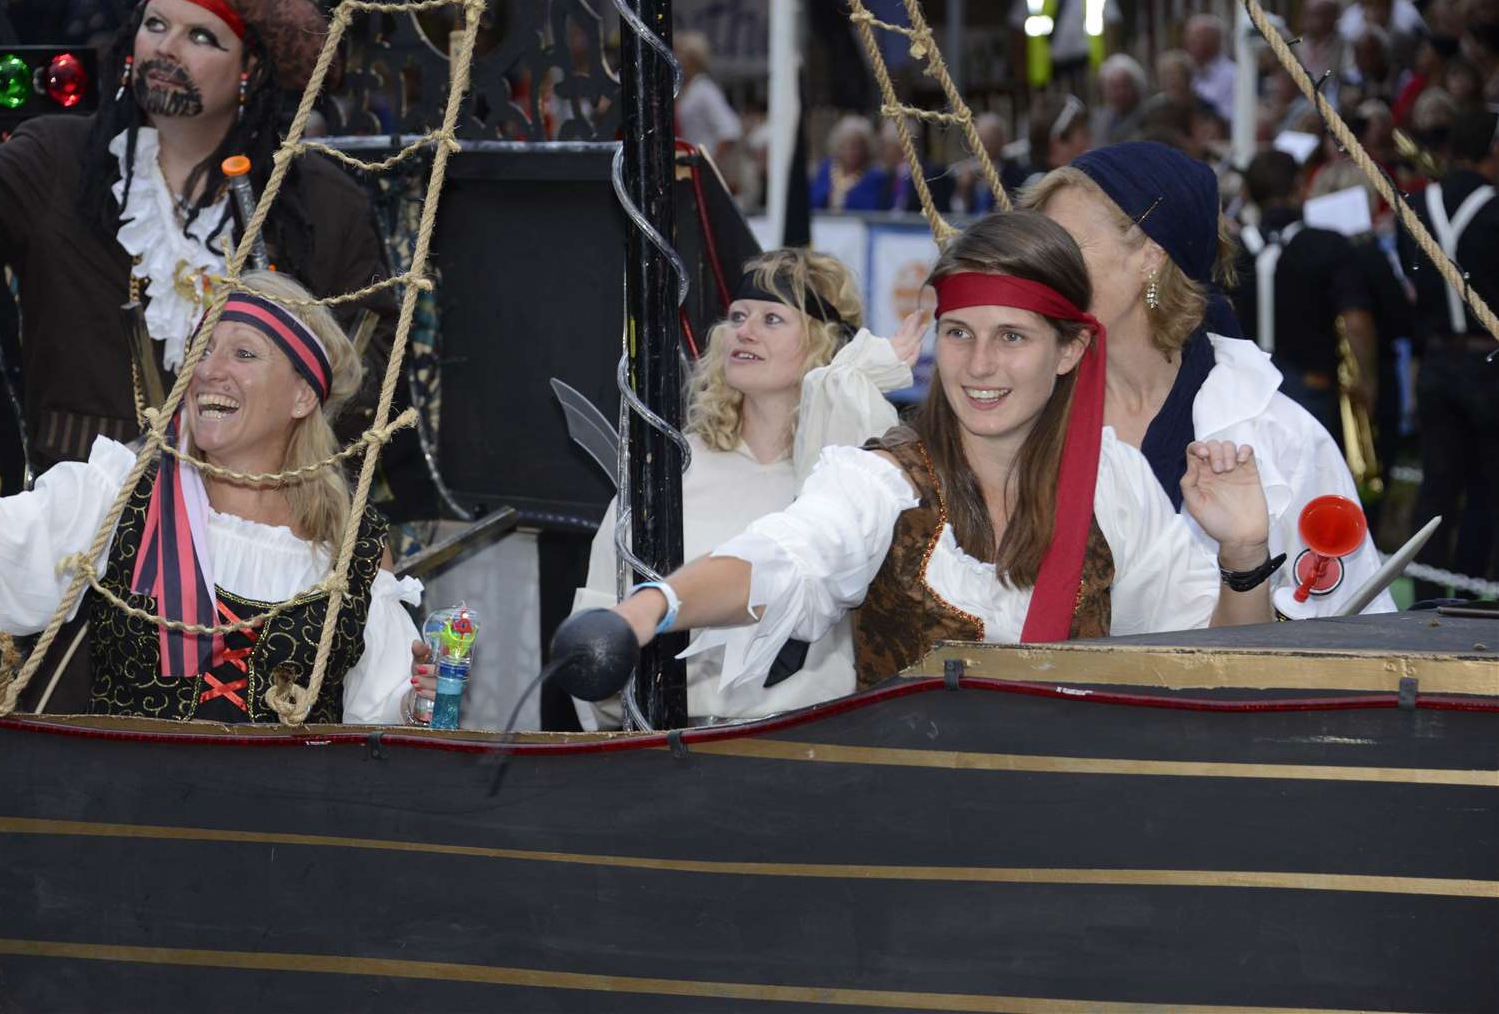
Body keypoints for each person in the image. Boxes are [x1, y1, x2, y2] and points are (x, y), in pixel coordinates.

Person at [595, 212, 1276, 693]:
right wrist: (650, 607)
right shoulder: (880, 480)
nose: (979, 366)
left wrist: (1243, 555)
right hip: (904, 841)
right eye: (959, 333)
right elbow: (789, 555)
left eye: (1012, 337)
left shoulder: (1112, 480)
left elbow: (1215, 665)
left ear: (1069, 350)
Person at [0, 0, 392, 475]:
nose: (167, 48)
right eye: (155, 25)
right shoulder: (60, 160)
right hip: (89, 522)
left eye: (201, 36)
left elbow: (367, 367)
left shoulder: (320, 202)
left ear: (250, 72)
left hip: (262, 516)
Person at [0, 272, 426, 724]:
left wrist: (422, 698)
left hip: (281, 843)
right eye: (203, 348)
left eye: (243, 353)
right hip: (125, 828)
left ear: (304, 395)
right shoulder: (120, 494)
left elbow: (382, 721)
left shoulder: (351, 549)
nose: (210, 370)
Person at [1020, 142, 1398, 616]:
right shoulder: (1021, 409)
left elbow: (1348, 630)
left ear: (1151, 257)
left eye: (1066, 247)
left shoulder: (1273, 435)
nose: (1038, 268)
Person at [572, 249, 926, 725]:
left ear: (825, 343)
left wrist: (853, 379)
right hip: (675, 746)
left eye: (772, 318)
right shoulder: (670, 475)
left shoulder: (851, 479)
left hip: (816, 743)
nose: (745, 330)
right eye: (738, 316)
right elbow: (600, 620)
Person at [1398, 107, 1499, 595]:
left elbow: (1411, 282)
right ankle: (1470, 588)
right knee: (1485, 485)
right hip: (1488, 363)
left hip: (1436, 360)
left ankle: (1425, 594)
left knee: (1436, 485)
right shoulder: (1496, 209)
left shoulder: (1414, 206)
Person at [1232, 149, 1375, 445]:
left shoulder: (1230, 251)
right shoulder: (1328, 244)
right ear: (1300, 187)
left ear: (1246, 193)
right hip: (1310, 387)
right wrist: (1368, 380)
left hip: (1242, 387)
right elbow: (1356, 321)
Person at [673, 30, 741, 171]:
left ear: (691, 60)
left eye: (680, 56)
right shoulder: (687, 90)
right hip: (687, 166)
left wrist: (708, 164)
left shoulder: (705, 90)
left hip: (699, 167)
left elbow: (730, 131)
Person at [810, 115, 887, 211]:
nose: (851, 151)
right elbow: (812, 200)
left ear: (866, 148)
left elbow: (872, 207)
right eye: (846, 146)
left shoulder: (874, 176)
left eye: (857, 146)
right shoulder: (825, 169)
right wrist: (828, 197)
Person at [1183, 14, 1236, 126]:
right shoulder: (1185, 72)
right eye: (1189, 36)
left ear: (1216, 41)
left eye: (1198, 37)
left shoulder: (1232, 75)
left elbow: (1229, 117)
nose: (1190, 42)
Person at [1091, 53, 1147, 145]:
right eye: (1112, 87)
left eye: (1124, 86)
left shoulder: (1147, 117)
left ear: (1136, 88)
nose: (1118, 93)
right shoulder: (1098, 119)